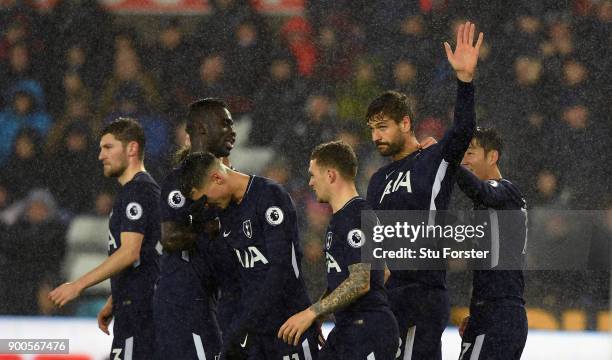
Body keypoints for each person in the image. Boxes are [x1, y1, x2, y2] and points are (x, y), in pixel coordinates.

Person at [365, 21, 482, 359]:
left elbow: (462, 130)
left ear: (405, 123)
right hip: (385, 300)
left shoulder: (434, 159)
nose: (376, 137)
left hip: (421, 294)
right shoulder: (377, 180)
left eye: (383, 127)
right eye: (372, 130)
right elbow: (370, 245)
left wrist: (464, 81)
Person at [179, 152, 319, 360]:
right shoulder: (226, 211)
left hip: (289, 326)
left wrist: (244, 324)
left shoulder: (269, 196)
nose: (206, 206)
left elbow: (280, 270)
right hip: (256, 332)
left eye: (205, 199)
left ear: (217, 178)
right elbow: (236, 279)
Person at [49, 118, 160, 359]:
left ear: (131, 148)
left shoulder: (137, 192)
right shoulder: (136, 191)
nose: (101, 155)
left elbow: (130, 252)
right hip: (134, 306)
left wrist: (78, 284)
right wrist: (115, 298)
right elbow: (147, 255)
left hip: (141, 311)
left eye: (108, 147)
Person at [278, 140, 399, 359]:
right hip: (349, 328)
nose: (311, 182)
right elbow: (384, 271)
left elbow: (361, 282)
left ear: (331, 175)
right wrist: (321, 313)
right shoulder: (342, 218)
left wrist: (312, 312)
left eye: (314, 174)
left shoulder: (355, 215)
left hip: (367, 330)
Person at [154, 98, 240, 359]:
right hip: (184, 301)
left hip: (206, 300)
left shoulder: (228, 180)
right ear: (202, 129)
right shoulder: (181, 179)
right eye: (224, 124)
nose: (232, 131)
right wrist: (211, 228)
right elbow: (169, 237)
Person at [456, 127, 528, 360]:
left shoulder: (506, 191)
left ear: (492, 156)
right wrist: (477, 311)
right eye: (462, 154)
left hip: (501, 314)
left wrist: (445, 158)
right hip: (491, 313)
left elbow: (481, 191)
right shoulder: (488, 205)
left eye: (470, 153)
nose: (464, 160)